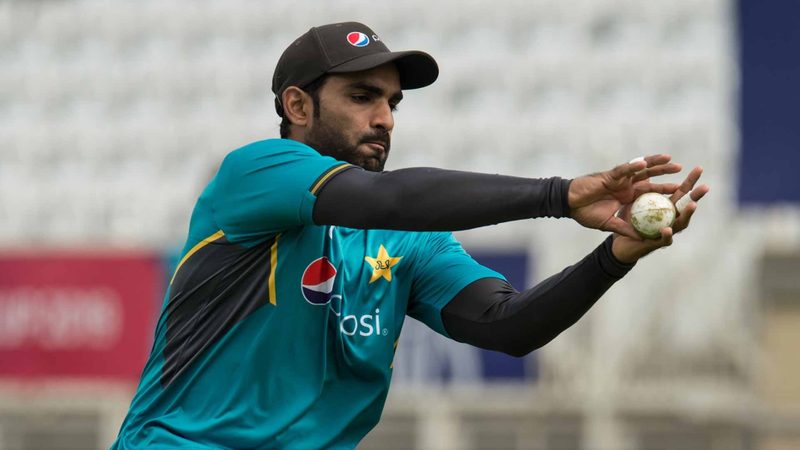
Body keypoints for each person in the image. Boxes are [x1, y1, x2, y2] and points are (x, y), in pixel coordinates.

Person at [112, 21, 709, 449]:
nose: (385, 119)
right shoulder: (256, 173)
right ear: (297, 106)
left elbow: (510, 326)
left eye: (393, 103)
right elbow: (392, 197)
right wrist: (559, 194)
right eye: (362, 97)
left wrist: (614, 256)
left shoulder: (409, 241)